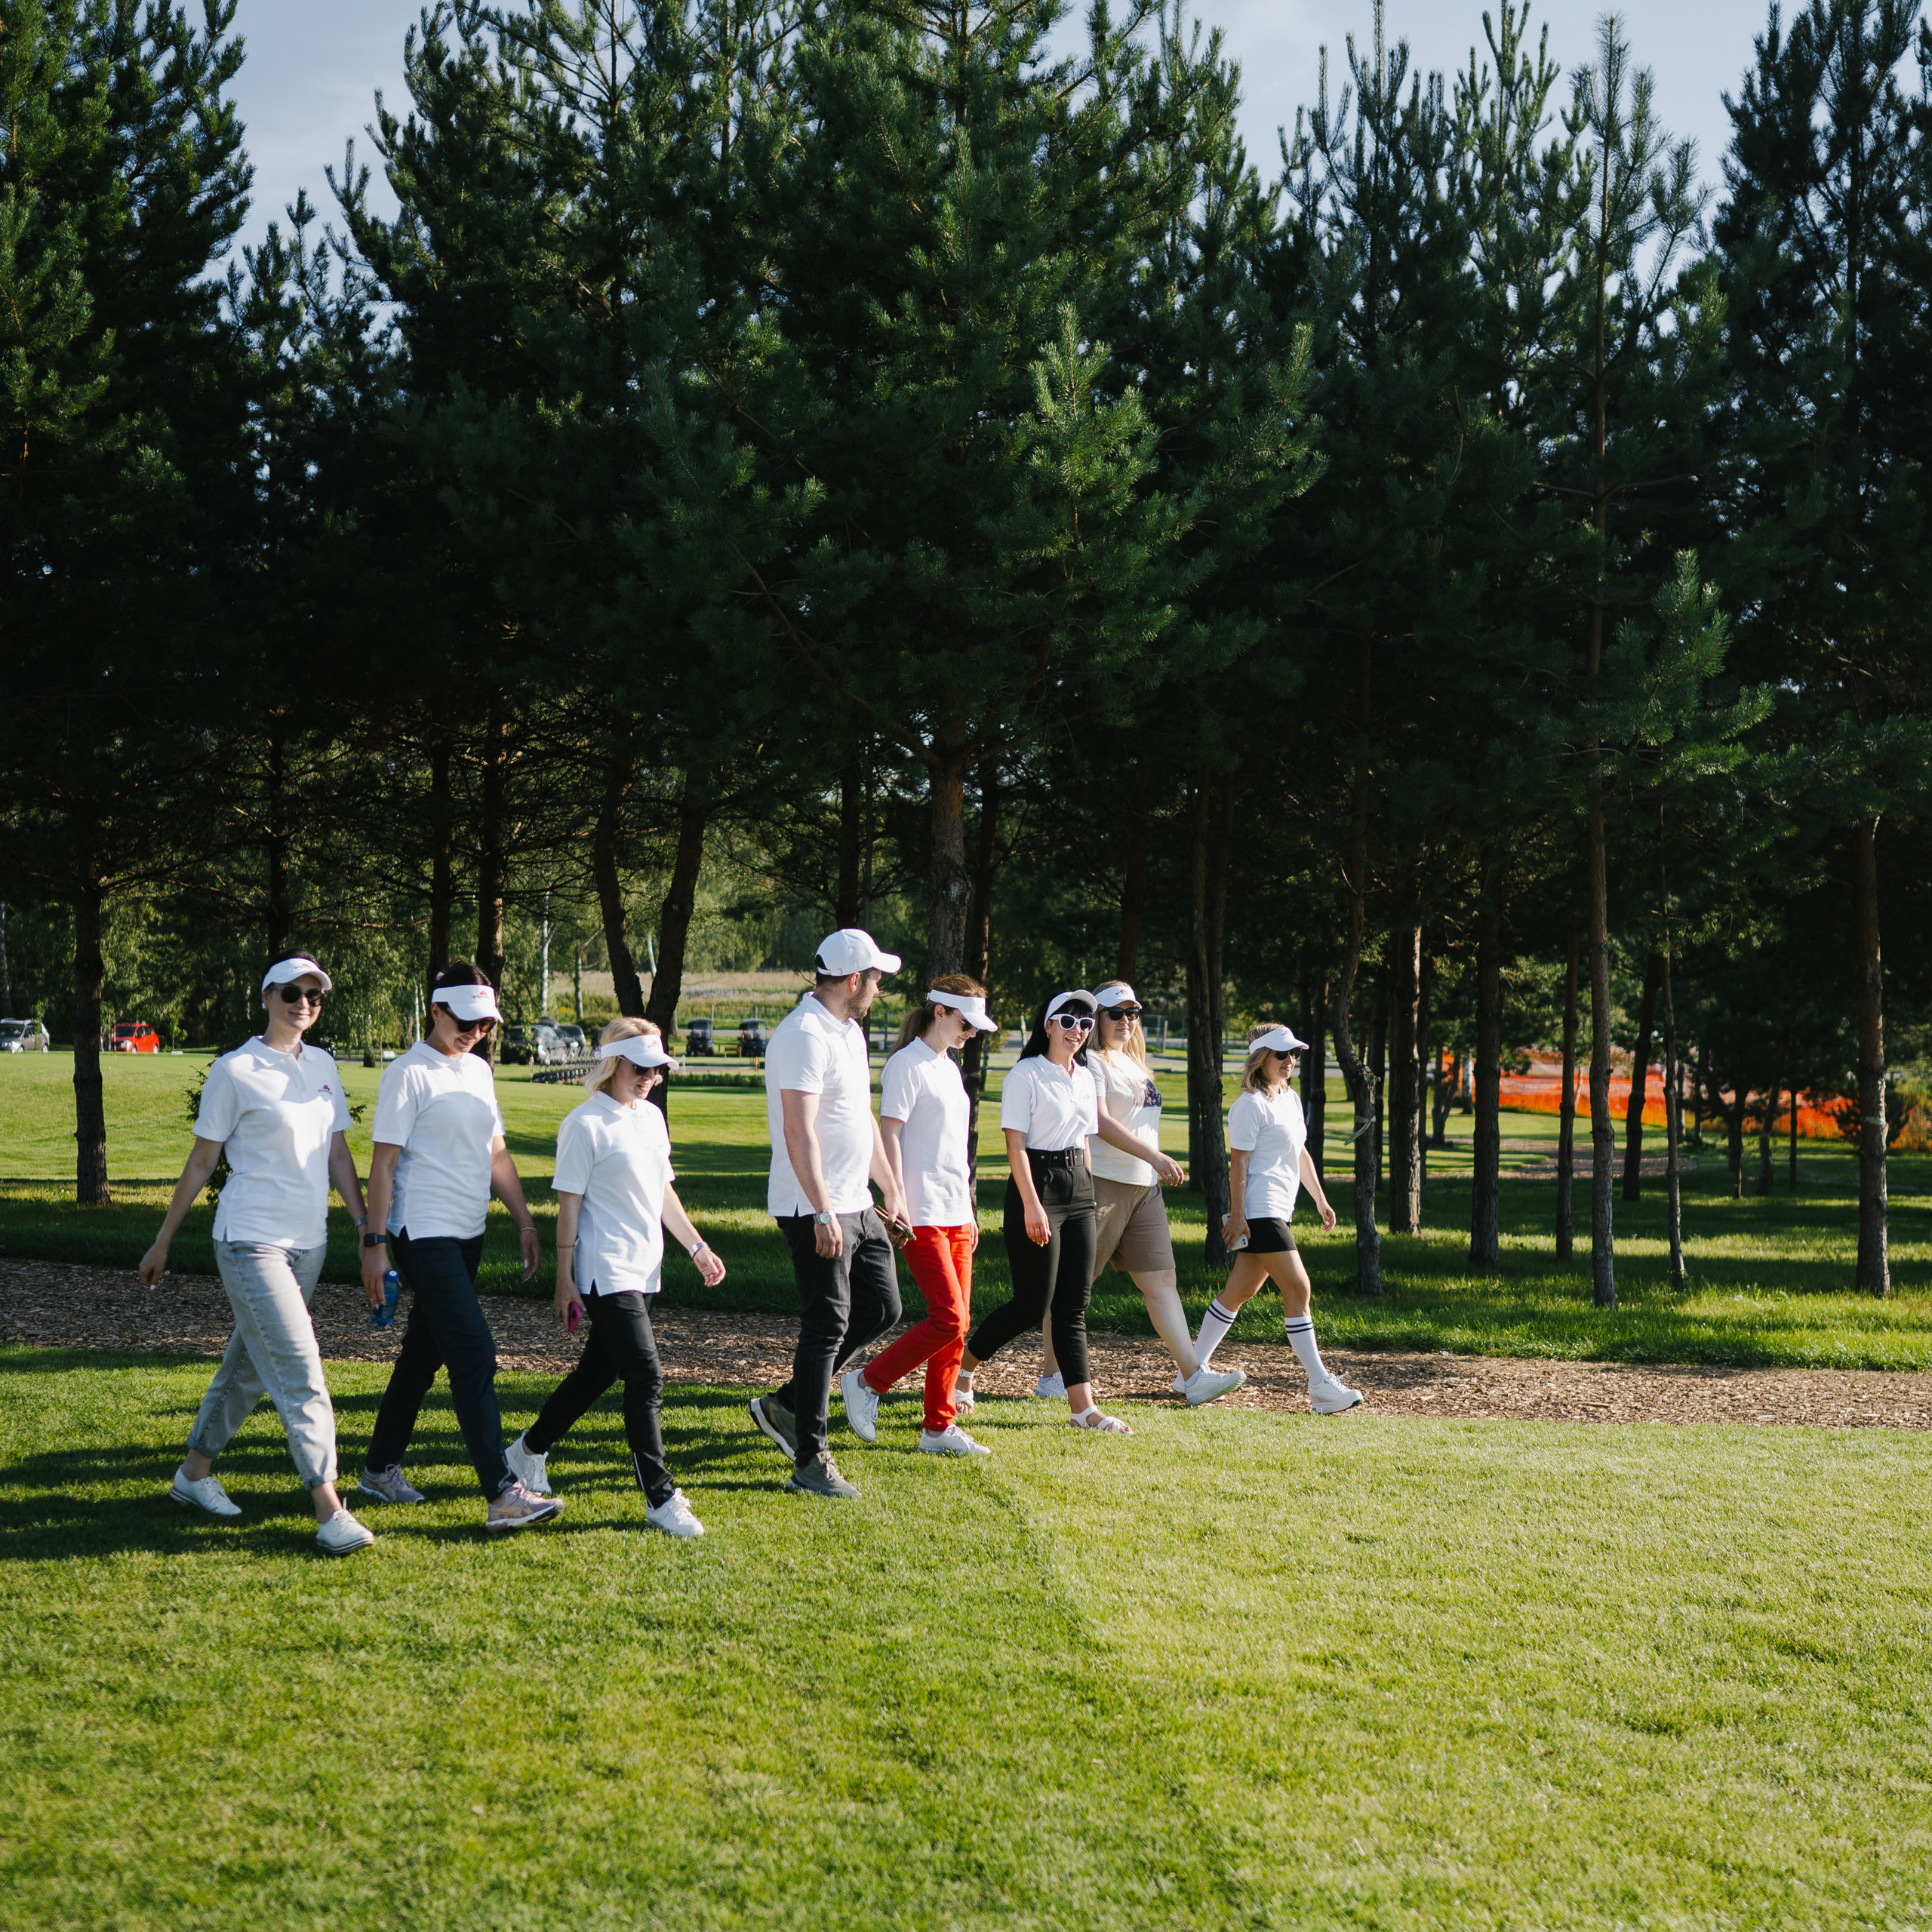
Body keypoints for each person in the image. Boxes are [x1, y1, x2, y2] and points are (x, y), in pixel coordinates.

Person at [141, 952, 378, 1556]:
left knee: (248, 1370)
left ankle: (193, 1475)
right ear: (266, 997)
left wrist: (364, 1226)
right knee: (301, 1371)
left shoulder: (323, 1064)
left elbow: (338, 1156)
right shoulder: (234, 1069)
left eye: (315, 996)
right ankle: (330, 1509)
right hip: (249, 1240)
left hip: (311, 1245)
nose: (305, 1004)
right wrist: (164, 1238)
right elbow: (202, 1160)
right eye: (292, 993)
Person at [358, 961, 563, 1531]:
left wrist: (523, 1220)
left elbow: (496, 1153)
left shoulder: (478, 1071)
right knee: (473, 1352)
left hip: (468, 1234)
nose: (476, 1032)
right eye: (466, 1021)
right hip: (421, 1234)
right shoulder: (407, 1073)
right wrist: (374, 1243)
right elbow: (383, 1165)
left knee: (423, 1357)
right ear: (436, 1009)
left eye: (485, 1024)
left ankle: (378, 1470)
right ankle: (502, 1492)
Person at [502, 1020, 725, 1537]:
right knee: (646, 1376)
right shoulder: (584, 1124)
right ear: (613, 1063)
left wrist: (697, 1246)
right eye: (640, 1066)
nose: (650, 1076)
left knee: (597, 1373)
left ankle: (526, 1450)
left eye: (657, 1068)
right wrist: (565, 1279)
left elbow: (663, 1192)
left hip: (647, 1268)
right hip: (606, 1271)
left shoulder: (649, 1117)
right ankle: (659, 1497)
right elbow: (569, 1206)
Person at [747, 929, 912, 1500]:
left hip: (856, 1203)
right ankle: (810, 1459)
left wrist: (889, 1189)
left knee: (884, 1306)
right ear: (852, 980)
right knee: (827, 1326)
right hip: (815, 1205)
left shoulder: (848, 1031)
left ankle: (789, 1403)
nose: (878, 988)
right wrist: (821, 1210)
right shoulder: (802, 1035)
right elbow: (799, 1129)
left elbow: (861, 1118)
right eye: (874, 979)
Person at [1035, 980, 1247, 1408]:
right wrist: (1155, 1156)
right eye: (1116, 1013)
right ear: (1097, 1020)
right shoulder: (1090, 1061)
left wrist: (1149, 1164)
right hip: (1102, 1184)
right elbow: (1098, 1122)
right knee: (1073, 1286)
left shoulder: (1134, 1064)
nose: (1126, 1021)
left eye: (1133, 1013)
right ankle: (1051, 1376)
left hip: (1143, 1190)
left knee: (1161, 1282)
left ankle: (1194, 1376)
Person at [954, 990, 1133, 1434]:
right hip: (1037, 1186)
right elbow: (1015, 1145)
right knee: (1032, 1303)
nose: (1078, 1030)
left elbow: (1085, 1141)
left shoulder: (1085, 1077)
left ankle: (1083, 1411)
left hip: (1078, 1187)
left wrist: (1087, 1197)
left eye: (1086, 1023)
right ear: (1048, 1025)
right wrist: (1032, 1204)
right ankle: (963, 1370)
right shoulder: (1026, 1074)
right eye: (1068, 1021)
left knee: (1074, 1305)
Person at [838, 975, 999, 1459]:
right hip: (920, 1212)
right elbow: (888, 1136)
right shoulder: (907, 1065)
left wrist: (969, 1213)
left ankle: (938, 1427)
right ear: (941, 1014)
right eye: (966, 1024)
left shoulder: (947, 1067)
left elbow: (954, 1150)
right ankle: (867, 1382)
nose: (971, 1033)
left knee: (959, 1321)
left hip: (954, 1212)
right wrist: (897, 1198)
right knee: (948, 1317)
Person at [1189, 1024, 1362, 1414]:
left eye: (1294, 1054)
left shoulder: (1290, 1099)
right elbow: (1239, 1167)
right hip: (1261, 1212)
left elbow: (1300, 1154)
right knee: (1299, 1289)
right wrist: (1237, 1216)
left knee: (1238, 1292)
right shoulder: (1249, 1105)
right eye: (1281, 1054)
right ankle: (1320, 1385)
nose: (1290, 1061)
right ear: (1259, 1058)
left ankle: (1189, 1371)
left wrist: (1320, 1199)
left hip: (1279, 1210)